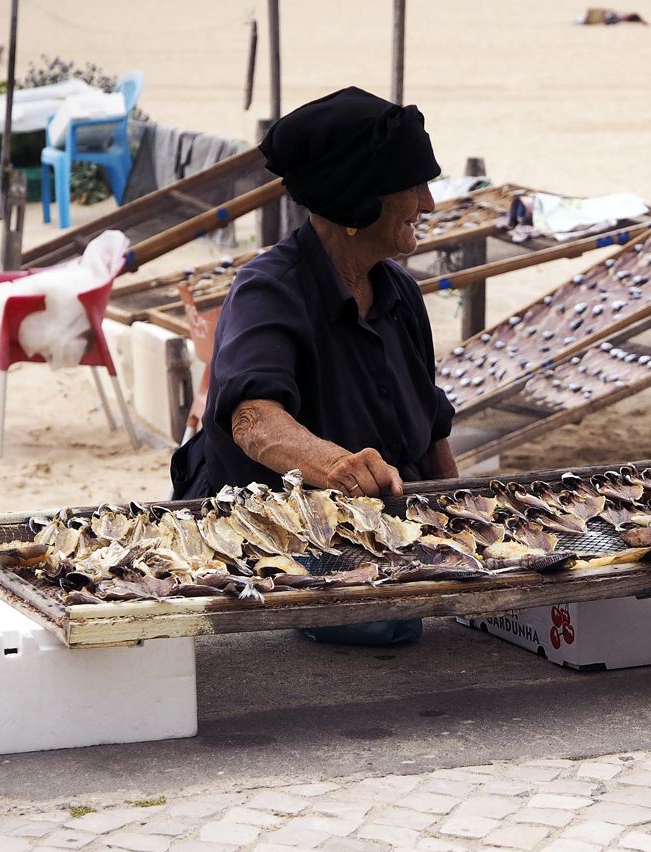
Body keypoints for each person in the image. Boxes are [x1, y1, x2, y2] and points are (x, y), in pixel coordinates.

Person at [169, 86, 458, 645]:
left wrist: (469, 524)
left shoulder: (399, 290)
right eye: (414, 187)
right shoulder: (268, 290)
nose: (429, 204)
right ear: (358, 203)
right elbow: (253, 418)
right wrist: (337, 466)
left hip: (378, 534)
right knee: (377, 627)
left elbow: (432, 434)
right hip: (273, 539)